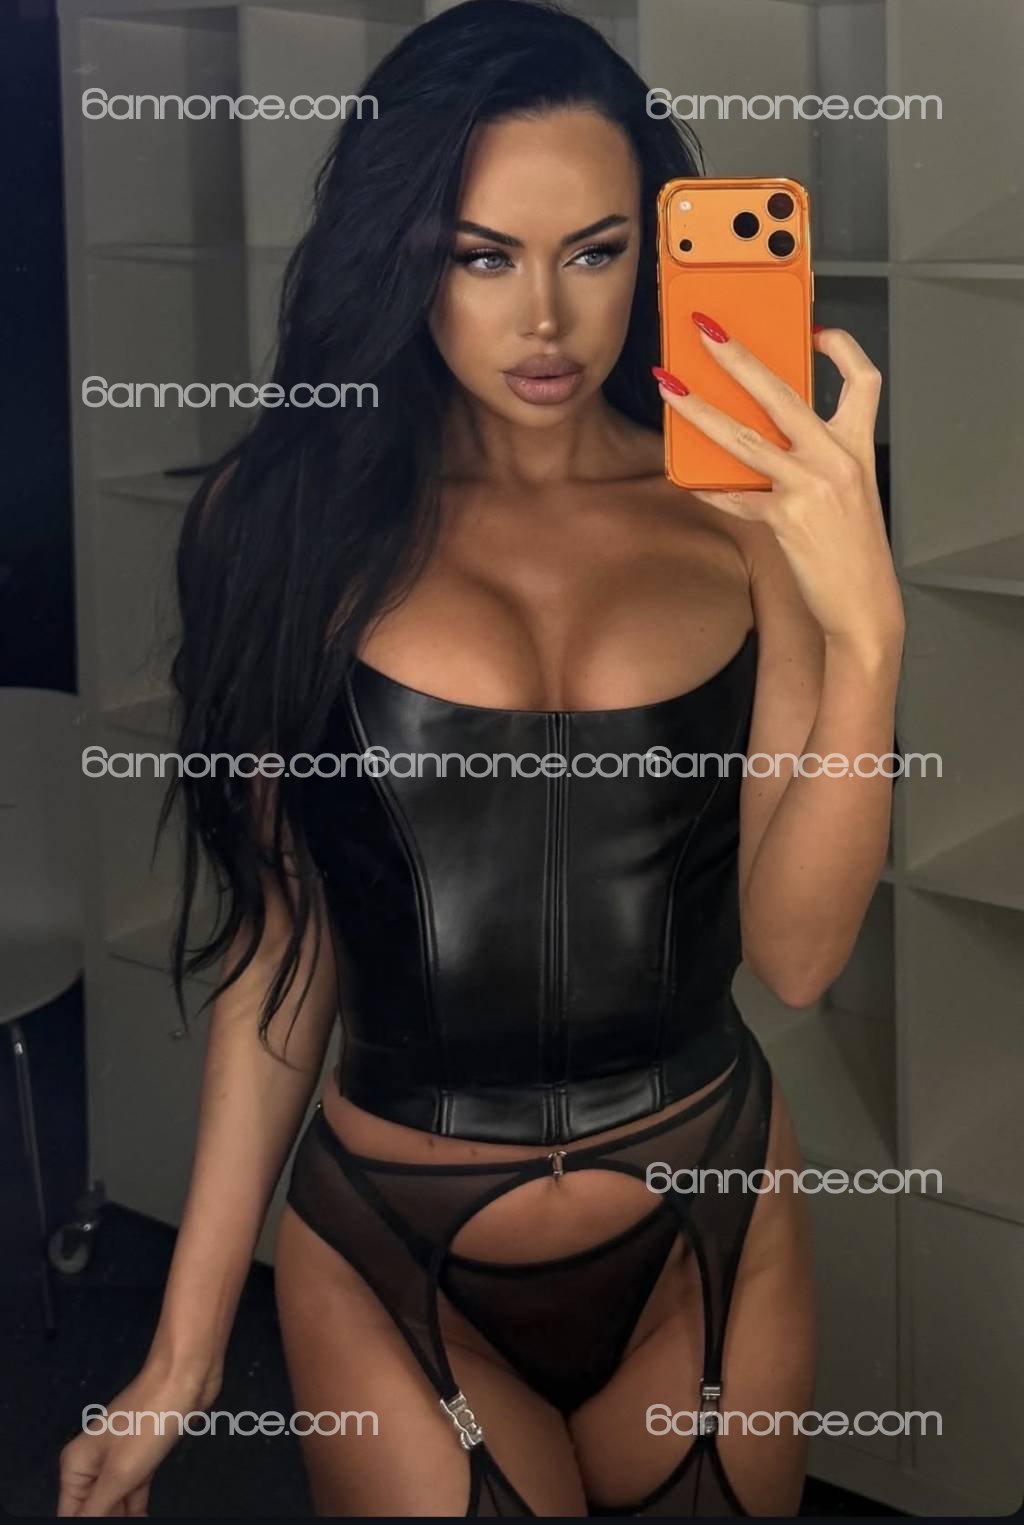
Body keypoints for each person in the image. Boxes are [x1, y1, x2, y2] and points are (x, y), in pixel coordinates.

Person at [58, 0, 903, 1516]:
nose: (547, 322)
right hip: (390, 1249)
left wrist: (871, 636)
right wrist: (181, 1358)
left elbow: (794, 954)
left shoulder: (750, 519)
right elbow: (284, 945)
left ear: (654, 252)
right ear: (405, 256)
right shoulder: (281, 523)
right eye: (483, 255)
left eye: (596, 251)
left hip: (712, 1216)